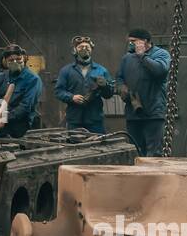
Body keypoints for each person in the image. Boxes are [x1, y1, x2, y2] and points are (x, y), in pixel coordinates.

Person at [116, 27, 171, 156]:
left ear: (145, 41)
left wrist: (142, 56)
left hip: (153, 112)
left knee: (154, 153)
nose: (130, 44)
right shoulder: (127, 58)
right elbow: (119, 78)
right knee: (136, 151)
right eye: (129, 41)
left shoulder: (161, 54)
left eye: (133, 41)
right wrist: (121, 88)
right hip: (134, 112)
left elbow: (160, 71)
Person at [54, 35, 115, 134]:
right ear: (75, 50)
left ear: (91, 50)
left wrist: (105, 85)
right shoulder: (66, 71)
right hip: (74, 119)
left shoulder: (101, 70)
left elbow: (109, 94)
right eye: (80, 47)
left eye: (87, 47)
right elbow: (58, 91)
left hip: (95, 120)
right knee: (74, 147)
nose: (84, 49)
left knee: (98, 146)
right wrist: (72, 97)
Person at [0, 44, 42, 138]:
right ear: (5, 61)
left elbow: (25, 107)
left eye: (18, 59)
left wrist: (5, 118)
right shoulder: (0, 78)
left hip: (21, 124)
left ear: (24, 59)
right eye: (11, 60)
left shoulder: (33, 79)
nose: (15, 62)